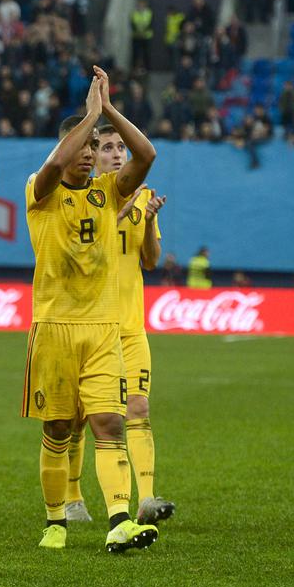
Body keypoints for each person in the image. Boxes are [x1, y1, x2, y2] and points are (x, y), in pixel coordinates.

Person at [23, 66, 158, 552]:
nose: (86, 157)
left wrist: (109, 111)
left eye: (91, 150)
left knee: (109, 423)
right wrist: (89, 117)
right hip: (55, 327)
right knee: (58, 429)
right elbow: (55, 166)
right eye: (81, 148)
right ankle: (55, 521)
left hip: (103, 329)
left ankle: (119, 519)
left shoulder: (107, 194)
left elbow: (145, 154)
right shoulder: (39, 192)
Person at [63, 124, 174, 527]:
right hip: (92, 325)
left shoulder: (143, 197)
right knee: (76, 417)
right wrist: (119, 214)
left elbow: (151, 260)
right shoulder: (90, 199)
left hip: (130, 326)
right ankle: (72, 498)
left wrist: (145, 221)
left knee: (139, 407)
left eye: (119, 148)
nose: (115, 154)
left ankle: (146, 499)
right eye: (106, 147)